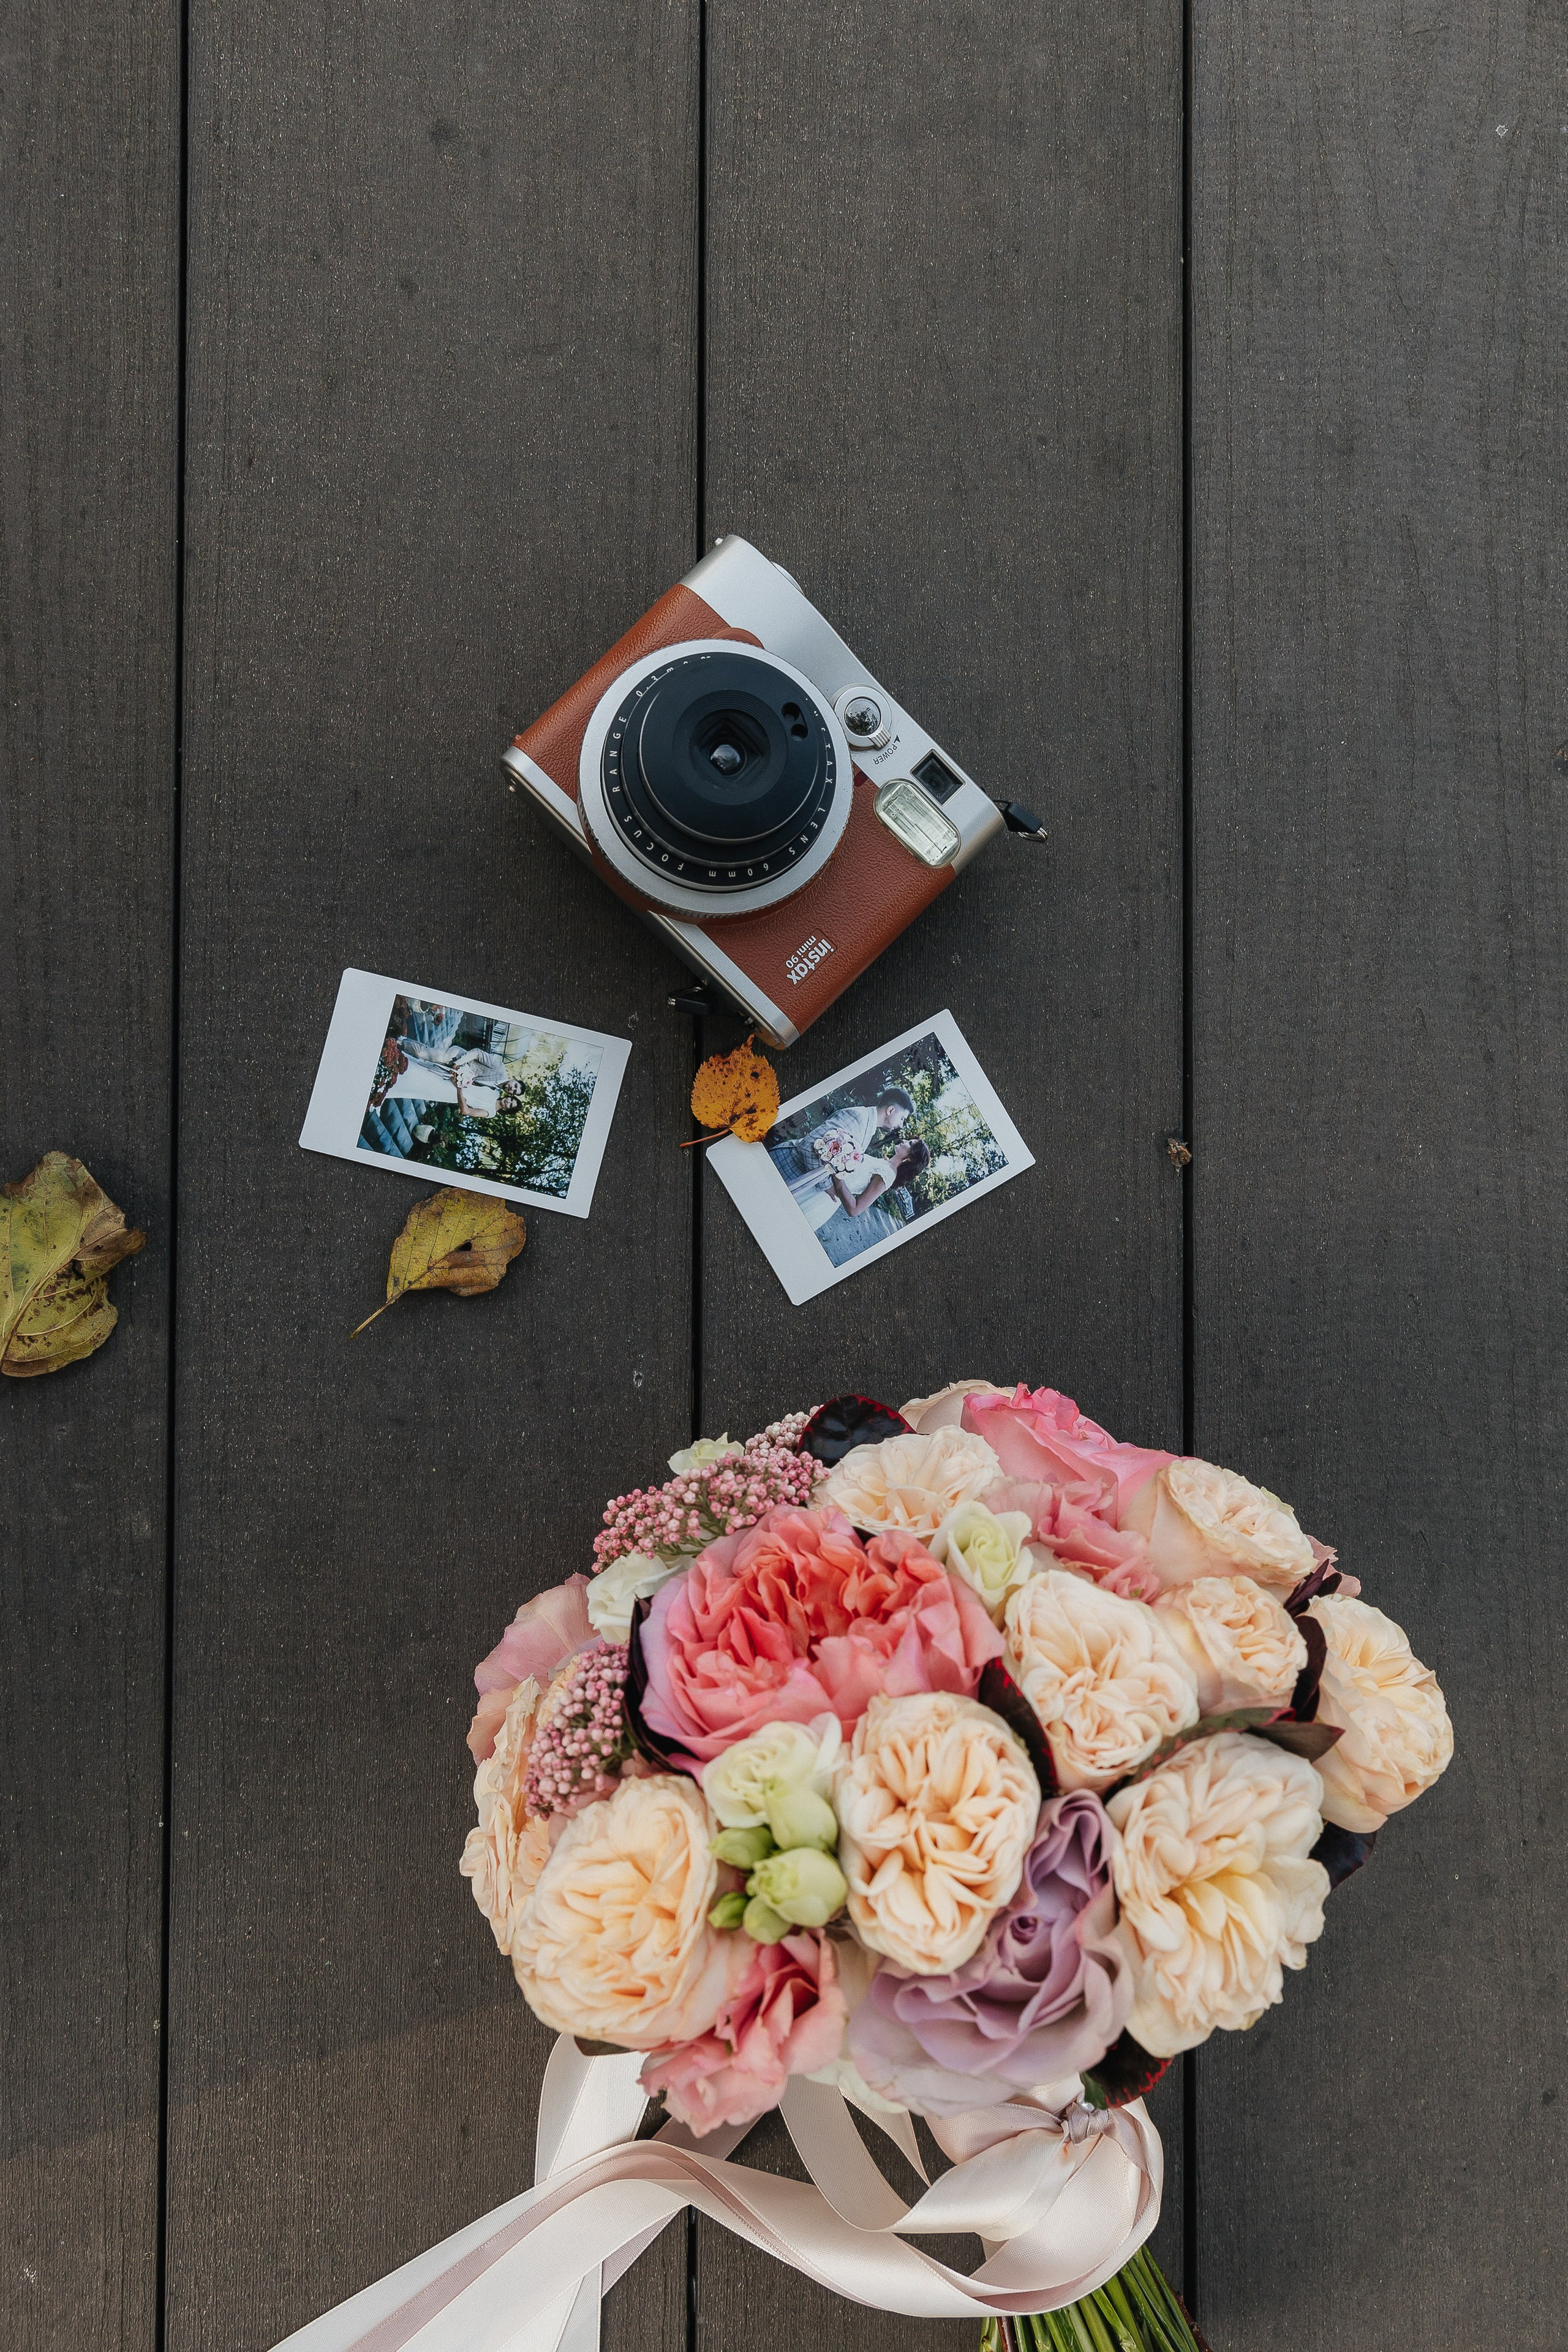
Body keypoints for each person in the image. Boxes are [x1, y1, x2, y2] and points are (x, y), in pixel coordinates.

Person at [770, 1086, 914, 1223]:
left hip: (797, 1178)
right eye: (902, 1118)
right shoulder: (859, 1118)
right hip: (787, 1167)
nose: (901, 1125)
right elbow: (809, 1146)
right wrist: (827, 1186)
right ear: (891, 1110)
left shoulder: (869, 1128)